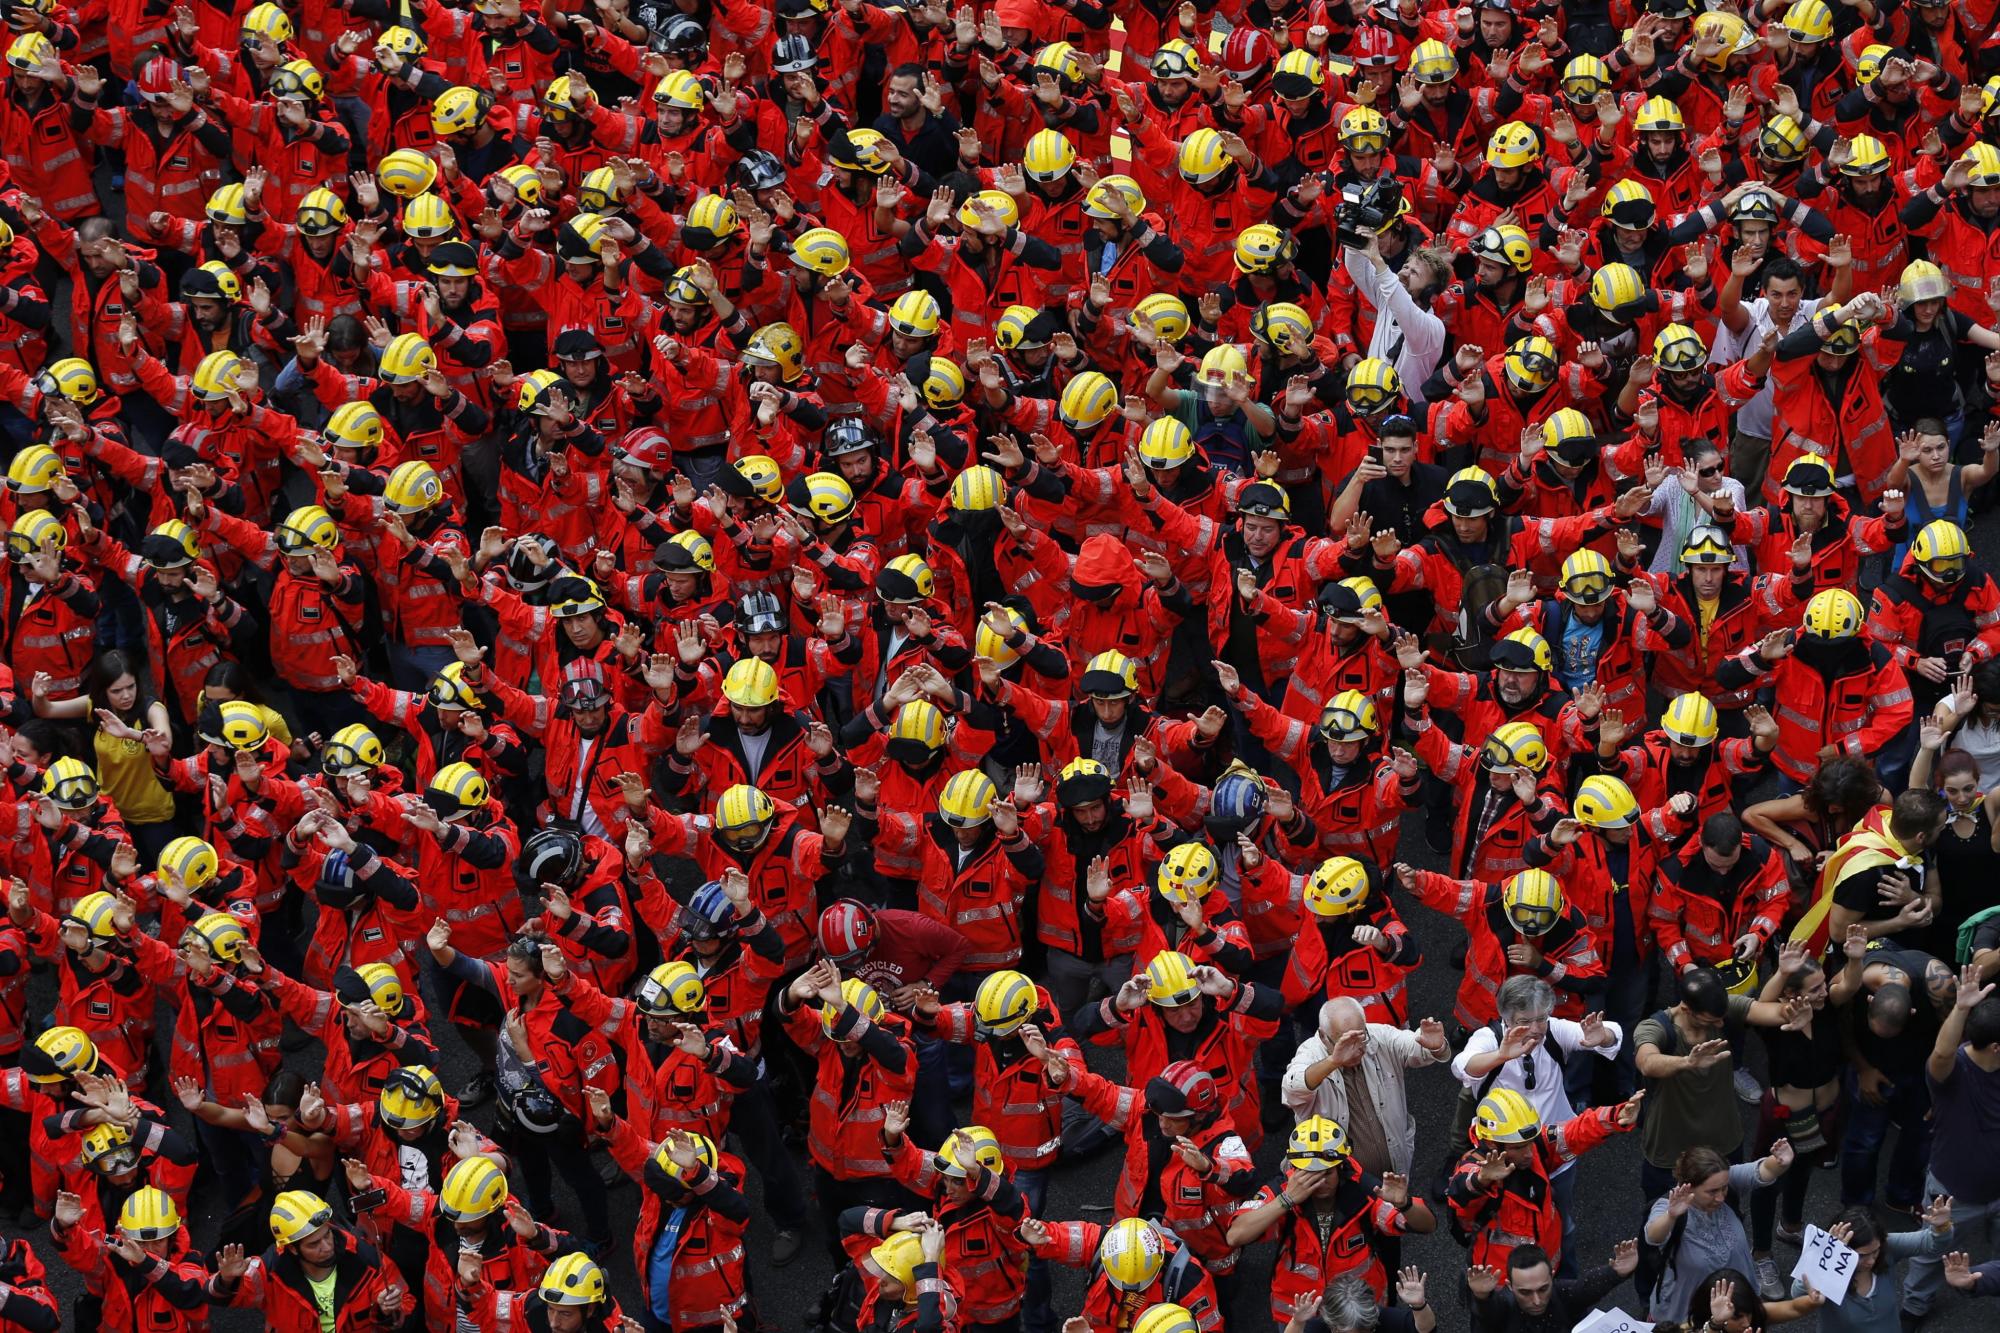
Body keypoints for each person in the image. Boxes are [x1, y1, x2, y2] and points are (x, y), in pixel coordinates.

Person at [1900, 966, 2000, 1323]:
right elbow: (1939, 1059)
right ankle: (1913, 1306)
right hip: (1953, 1196)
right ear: (1995, 1047)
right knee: (1930, 1254)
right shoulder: (1953, 1072)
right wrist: (1960, 1008)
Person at [1279, 998, 1450, 1179]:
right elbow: (1292, 1090)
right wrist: (1333, 1061)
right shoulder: (1310, 1052)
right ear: (1323, 1036)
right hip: (1338, 1181)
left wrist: (1434, 1046)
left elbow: (1413, 1046)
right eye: (1344, 1043)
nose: (1356, 1049)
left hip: (1394, 1172)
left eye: (1360, 1038)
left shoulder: (1378, 1035)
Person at [1643, 1141, 1800, 1322]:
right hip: (1685, 1314)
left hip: (1738, 1305)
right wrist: (1671, 1216)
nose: (1720, 1197)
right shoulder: (1668, 1206)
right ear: (1688, 1186)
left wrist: (1780, 1161)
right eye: (1711, 1192)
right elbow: (1653, 1236)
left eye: (1724, 1188)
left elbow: (1764, 1170)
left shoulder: (1724, 1178)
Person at [1466, 1240, 1640, 1333]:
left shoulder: (1563, 1293)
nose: (1536, 1301)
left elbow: (1586, 1286)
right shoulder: (1502, 1305)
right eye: (1525, 1292)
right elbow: (1487, 1315)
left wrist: (1616, 1273)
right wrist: (1482, 1298)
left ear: (1552, 1278)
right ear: (1509, 1286)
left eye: (1543, 1289)